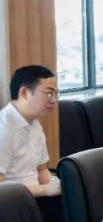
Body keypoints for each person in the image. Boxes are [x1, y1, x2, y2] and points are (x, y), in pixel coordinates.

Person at [0, 65, 60, 197]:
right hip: (13, 204)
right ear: (24, 93)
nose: (53, 100)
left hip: (35, 199)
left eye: (55, 94)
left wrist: (57, 184)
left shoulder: (35, 124)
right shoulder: (3, 128)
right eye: (49, 93)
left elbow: (41, 169)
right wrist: (44, 189)